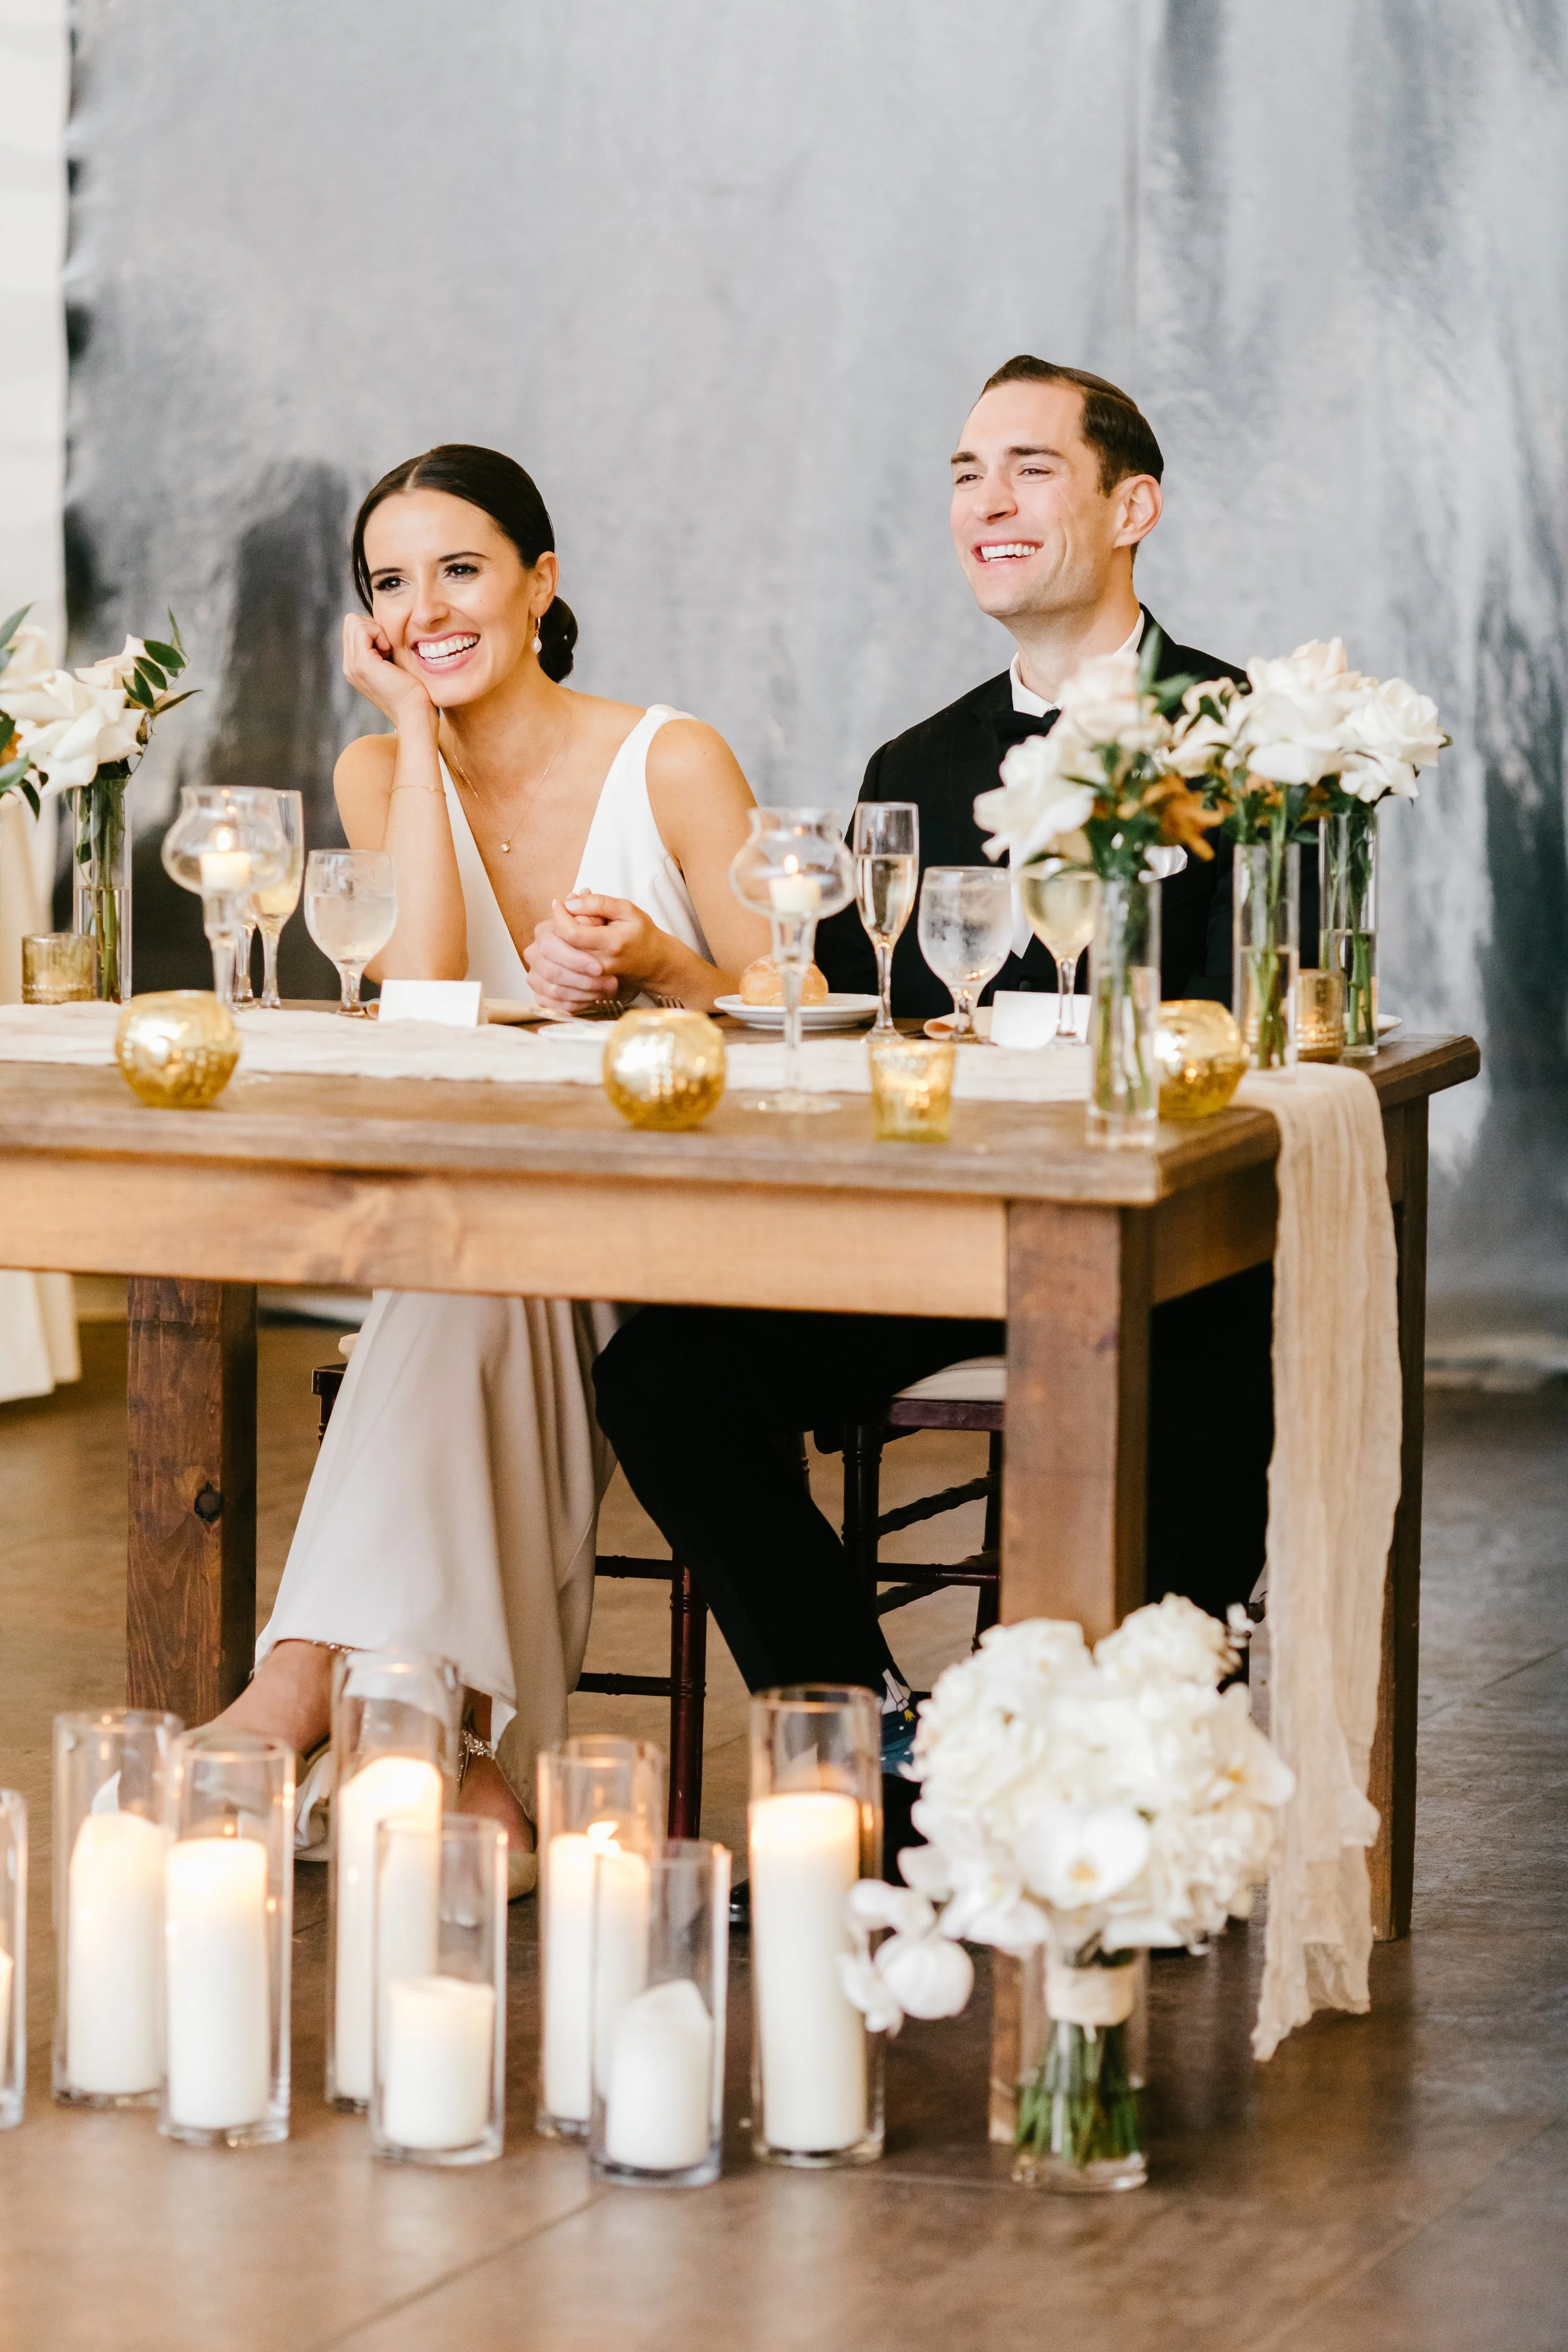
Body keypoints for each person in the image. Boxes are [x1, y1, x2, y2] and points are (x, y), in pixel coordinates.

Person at [594, 359, 1274, 1784]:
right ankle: (875, 1744)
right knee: (667, 1373)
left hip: (1174, 1243)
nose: (986, 502)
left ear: (1130, 503)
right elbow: (842, 998)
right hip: (944, 1229)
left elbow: (1269, 1025)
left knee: (1189, 1405)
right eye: (966, 474)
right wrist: (688, 971)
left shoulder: (1248, 743)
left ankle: (1119, 1792)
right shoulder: (916, 758)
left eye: (1028, 468)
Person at [216, 445, 768, 1886]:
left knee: (473, 1259)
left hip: (679, 1209)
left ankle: (300, 1689)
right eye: (388, 585)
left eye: (459, 568)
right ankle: (438, 1746)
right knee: (482, 1258)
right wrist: (404, 727)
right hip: (492, 1220)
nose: (426, 609)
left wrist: (661, 964)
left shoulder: (673, 757)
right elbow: (425, 1003)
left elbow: (799, 1005)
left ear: (540, 581)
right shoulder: (375, 766)